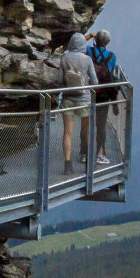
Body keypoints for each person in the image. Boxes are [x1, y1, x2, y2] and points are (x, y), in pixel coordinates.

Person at [58, 32, 96, 176]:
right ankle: (88, 161)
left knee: (67, 132)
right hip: (84, 99)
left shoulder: (64, 58)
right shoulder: (87, 59)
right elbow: (95, 81)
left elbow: (60, 80)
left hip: (68, 98)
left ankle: (67, 165)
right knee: (86, 131)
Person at [86, 29, 122, 164]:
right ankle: (100, 154)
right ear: (108, 42)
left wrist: (91, 35)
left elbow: (76, 43)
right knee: (101, 125)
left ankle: (84, 153)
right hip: (104, 94)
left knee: (86, 123)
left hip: (88, 91)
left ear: (96, 40)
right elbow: (110, 72)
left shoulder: (89, 51)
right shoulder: (112, 56)